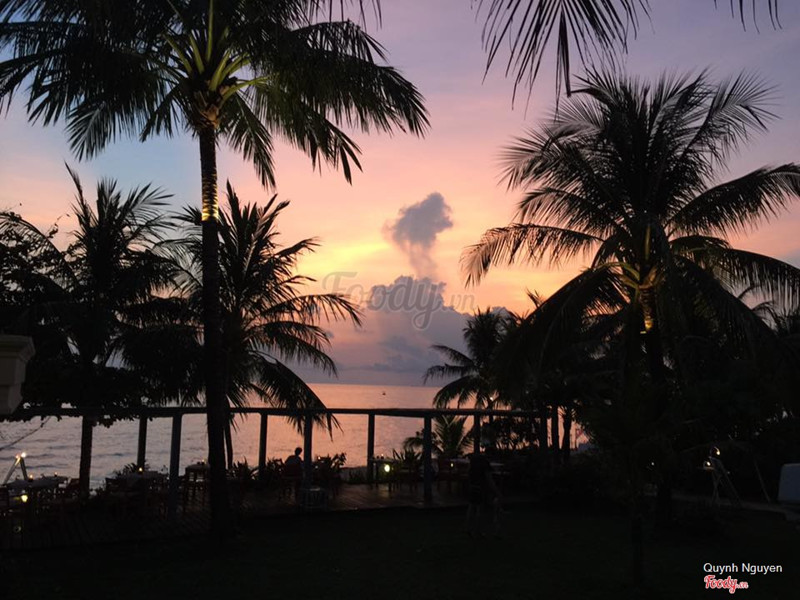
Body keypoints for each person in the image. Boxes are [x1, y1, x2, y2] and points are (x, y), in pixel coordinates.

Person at [465, 441, 501, 537]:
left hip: (472, 485)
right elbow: (489, 479)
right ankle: (477, 531)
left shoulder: (475, 459)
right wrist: (496, 492)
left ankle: (468, 529)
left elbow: (469, 471)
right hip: (480, 487)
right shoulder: (485, 463)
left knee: (471, 507)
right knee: (479, 509)